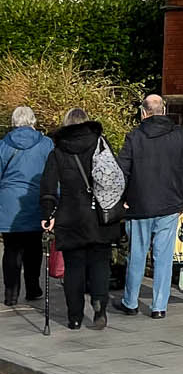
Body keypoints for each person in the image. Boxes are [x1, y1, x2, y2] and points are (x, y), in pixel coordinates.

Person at [115, 94, 183, 319]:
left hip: (139, 204)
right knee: (163, 258)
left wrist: (122, 197)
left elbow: (122, 171)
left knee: (137, 255)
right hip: (170, 204)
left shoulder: (134, 137)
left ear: (144, 112)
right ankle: (159, 306)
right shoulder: (181, 136)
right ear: (164, 110)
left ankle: (130, 302)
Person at [39, 108, 123, 331]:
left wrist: (47, 214)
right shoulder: (100, 144)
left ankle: (74, 317)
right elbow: (115, 174)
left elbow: (48, 186)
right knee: (99, 263)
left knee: (74, 267)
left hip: (70, 215)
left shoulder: (57, 151)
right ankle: (99, 305)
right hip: (99, 215)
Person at [0, 107, 54, 305]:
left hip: (8, 204)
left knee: (11, 249)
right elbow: (52, 175)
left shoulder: (3, 145)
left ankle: (11, 294)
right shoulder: (46, 144)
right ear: (33, 121)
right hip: (35, 200)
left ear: (13, 122)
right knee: (33, 247)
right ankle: (33, 288)